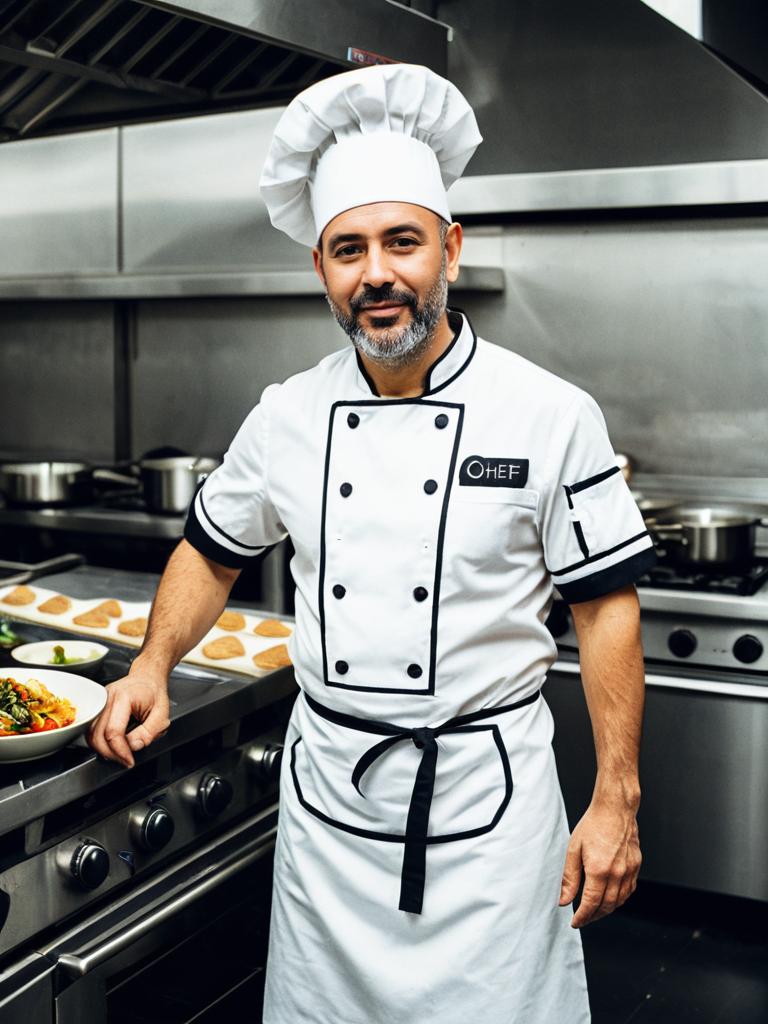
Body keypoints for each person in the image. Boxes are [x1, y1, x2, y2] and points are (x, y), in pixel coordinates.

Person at [88, 63, 656, 1024]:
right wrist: (153, 663)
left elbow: (605, 608)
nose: (377, 273)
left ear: (451, 248)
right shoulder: (290, 413)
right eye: (348, 249)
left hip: (488, 820)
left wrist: (616, 802)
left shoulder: (550, 414)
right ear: (322, 269)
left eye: (403, 242)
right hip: (330, 819)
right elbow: (211, 550)